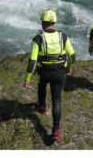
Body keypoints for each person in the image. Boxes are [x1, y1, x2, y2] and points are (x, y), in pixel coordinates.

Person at [25, 9, 75, 140]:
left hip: (44, 72)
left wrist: (27, 79)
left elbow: (33, 61)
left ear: (42, 22)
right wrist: (69, 67)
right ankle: (55, 131)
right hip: (59, 73)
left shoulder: (38, 38)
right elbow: (72, 55)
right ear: (54, 22)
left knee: (41, 85)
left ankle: (42, 107)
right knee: (57, 100)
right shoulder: (63, 36)